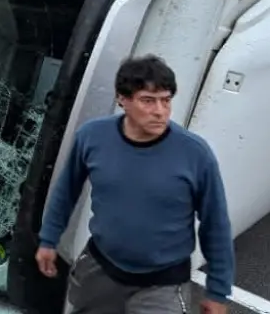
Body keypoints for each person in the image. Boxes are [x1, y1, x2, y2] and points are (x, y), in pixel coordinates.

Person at [36, 55, 235, 314]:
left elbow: (216, 223)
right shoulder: (92, 137)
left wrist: (218, 291)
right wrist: (49, 239)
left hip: (163, 284)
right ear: (122, 99)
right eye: (147, 100)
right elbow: (66, 192)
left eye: (166, 100)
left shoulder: (195, 154)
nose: (160, 111)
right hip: (100, 269)